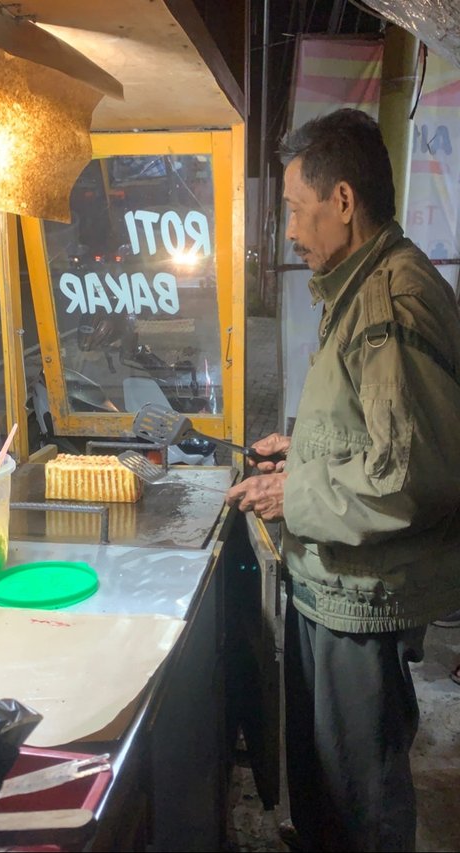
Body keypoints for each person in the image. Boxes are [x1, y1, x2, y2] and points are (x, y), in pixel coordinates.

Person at [226, 108, 460, 852]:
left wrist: (289, 493)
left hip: (365, 599)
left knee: (360, 799)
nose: (289, 230)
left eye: (295, 208)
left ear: (344, 202)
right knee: (328, 784)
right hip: (340, 584)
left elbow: (411, 475)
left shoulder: (389, 299)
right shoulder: (359, 287)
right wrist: (302, 452)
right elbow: (373, 433)